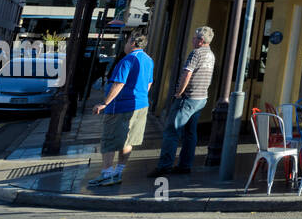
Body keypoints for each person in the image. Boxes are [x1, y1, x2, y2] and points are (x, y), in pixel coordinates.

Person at [89, 33, 154, 188]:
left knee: (109, 139)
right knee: (129, 139)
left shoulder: (128, 59)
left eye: (127, 41)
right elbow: (149, 83)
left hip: (121, 106)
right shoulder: (148, 60)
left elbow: (118, 84)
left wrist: (104, 103)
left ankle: (107, 173)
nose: (125, 45)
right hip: (141, 104)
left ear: (133, 42)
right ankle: (118, 171)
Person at [150, 26, 215, 177]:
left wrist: (179, 92)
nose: (192, 40)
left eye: (194, 38)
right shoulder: (210, 54)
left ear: (200, 40)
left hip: (189, 97)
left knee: (172, 131)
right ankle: (185, 164)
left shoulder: (196, 53)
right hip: (201, 97)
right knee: (190, 133)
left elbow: (187, 73)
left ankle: (164, 166)